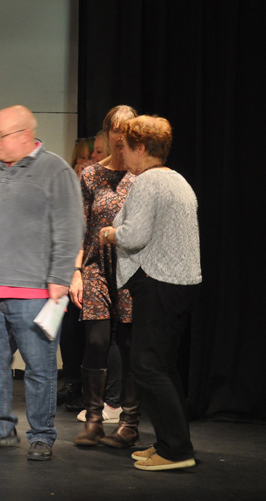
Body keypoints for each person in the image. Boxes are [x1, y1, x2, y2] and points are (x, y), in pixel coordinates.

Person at [0, 105, 83, 461]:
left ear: (25, 135)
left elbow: (71, 226)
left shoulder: (55, 170)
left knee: (39, 368)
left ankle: (41, 435)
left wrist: (60, 277)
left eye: (1, 135)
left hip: (34, 291)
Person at [99, 115, 201, 472]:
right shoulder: (177, 180)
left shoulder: (148, 182)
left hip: (160, 283)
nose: (122, 154)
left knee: (146, 365)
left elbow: (134, 235)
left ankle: (176, 451)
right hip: (179, 284)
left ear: (141, 148)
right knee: (163, 366)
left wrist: (109, 233)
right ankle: (172, 443)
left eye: (125, 147)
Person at [69, 105, 139, 447]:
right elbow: (81, 228)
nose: (121, 137)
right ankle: (94, 421)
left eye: (127, 130)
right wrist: (76, 272)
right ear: (108, 132)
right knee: (96, 340)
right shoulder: (92, 175)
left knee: (128, 344)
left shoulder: (142, 176)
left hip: (131, 267)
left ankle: (129, 423)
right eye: (116, 130)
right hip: (96, 264)